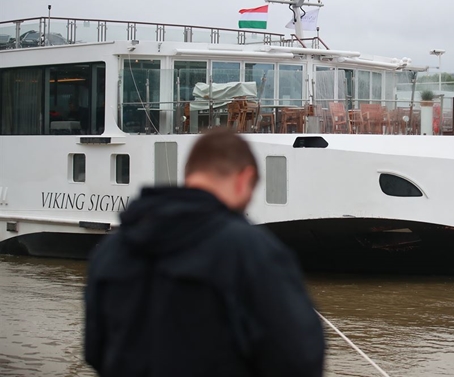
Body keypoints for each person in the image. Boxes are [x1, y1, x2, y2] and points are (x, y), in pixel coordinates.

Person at [85, 128, 325, 376]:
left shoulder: (109, 252)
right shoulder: (251, 251)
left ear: (190, 175)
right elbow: (300, 358)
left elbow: (95, 351)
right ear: (244, 179)